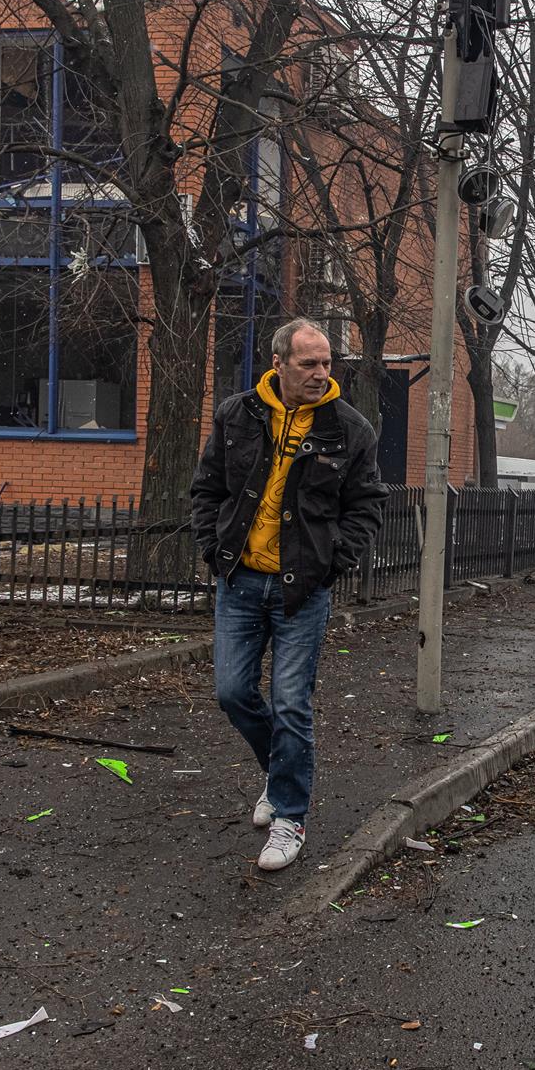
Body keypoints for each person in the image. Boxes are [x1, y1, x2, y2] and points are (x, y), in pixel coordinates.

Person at [190, 318, 387, 871]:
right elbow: (208, 488)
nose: (321, 373)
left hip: (303, 588)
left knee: (292, 702)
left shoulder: (349, 428)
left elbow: (367, 504)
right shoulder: (238, 414)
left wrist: (334, 561)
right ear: (279, 363)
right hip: (241, 579)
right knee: (231, 692)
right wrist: (213, 547)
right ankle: (279, 776)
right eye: (309, 364)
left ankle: (289, 816)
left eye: (327, 362)